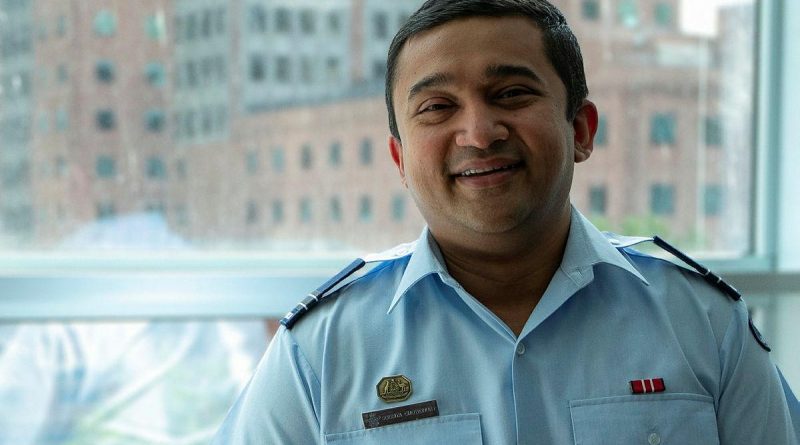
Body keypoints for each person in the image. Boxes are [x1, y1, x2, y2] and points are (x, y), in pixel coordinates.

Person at [213, 0, 798, 443]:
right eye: (438, 107)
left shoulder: (702, 321)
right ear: (399, 159)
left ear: (582, 130)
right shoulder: (320, 350)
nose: (479, 133)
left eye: (512, 93)